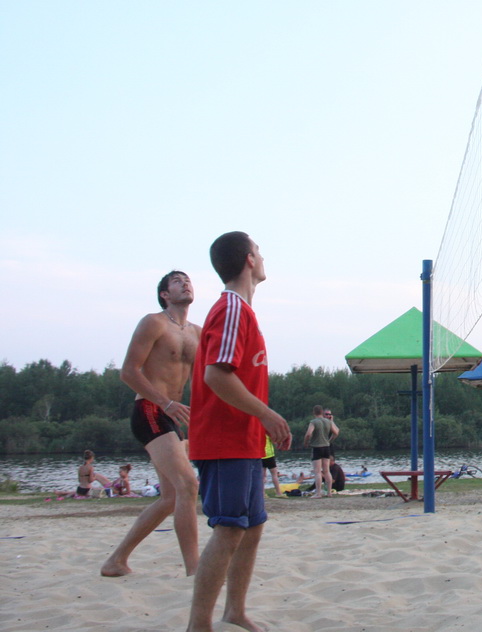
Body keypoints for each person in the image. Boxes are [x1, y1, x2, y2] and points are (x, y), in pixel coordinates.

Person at [187, 231, 292, 632]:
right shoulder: (231, 308)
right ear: (249, 259)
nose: (263, 257)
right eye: (259, 250)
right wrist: (266, 414)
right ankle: (199, 624)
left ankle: (235, 611)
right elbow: (216, 375)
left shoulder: (243, 310)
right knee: (230, 527)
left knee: (252, 526)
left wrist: (263, 423)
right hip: (223, 440)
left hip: (245, 441)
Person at [101, 270, 201, 578]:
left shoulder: (197, 332)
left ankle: (116, 561)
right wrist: (165, 403)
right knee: (188, 485)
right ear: (165, 295)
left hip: (173, 416)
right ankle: (195, 570)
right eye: (177, 281)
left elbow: (202, 381)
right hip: (149, 409)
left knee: (171, 497)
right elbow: (128, 372)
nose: (185, 283)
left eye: (188, 280)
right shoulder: (153, 323)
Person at [303, 405, 338, 498]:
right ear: (322, 412)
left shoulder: (313, 422)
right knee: (327, 471)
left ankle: (318, 493)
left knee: (318, 471)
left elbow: (308, 434)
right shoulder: (328, 422)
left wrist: (306, 442)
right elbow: (336, 432)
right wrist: (329, 440)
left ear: (314, 412)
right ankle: (329, 492)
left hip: (317, 447)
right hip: (326, 447)